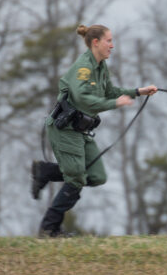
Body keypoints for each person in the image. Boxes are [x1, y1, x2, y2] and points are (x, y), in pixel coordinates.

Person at [33, 23, 156, 237]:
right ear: (96, 42)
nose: (112, 45)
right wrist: (114, 104)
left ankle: (45, 171)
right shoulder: (84, 67)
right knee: (76, 179)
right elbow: (83, 98)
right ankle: (49, 228)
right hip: (65, 130)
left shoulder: (101, 66)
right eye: (109, 40)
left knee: (97, 176)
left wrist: (138, 91)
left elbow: (110, 91)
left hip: (81, 130)